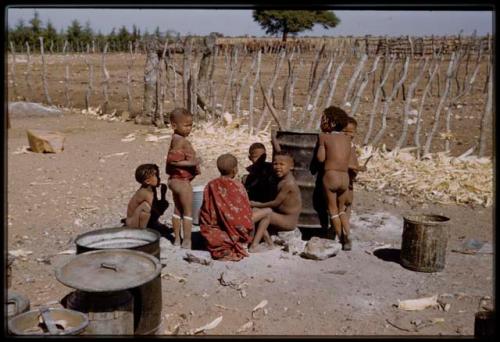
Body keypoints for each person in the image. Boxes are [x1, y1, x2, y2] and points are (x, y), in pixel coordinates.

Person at [199, 154, 254, 261]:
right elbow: (245, 211)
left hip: (214, 232)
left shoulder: (211, 185)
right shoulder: (237, 186)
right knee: (254, 217)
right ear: (235, 170)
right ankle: (249, 243)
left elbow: (206, 210)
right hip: (236, 229)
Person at [250, 151, 302, 252]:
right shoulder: (283, 178)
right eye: (275, 164)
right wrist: (274, 139)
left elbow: (275, 203)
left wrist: (257, 204)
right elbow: (282, 155)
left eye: (282, 164)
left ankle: (254, 245)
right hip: (282, 216)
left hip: (289, 221)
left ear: (291, 166)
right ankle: (268, 242)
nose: (278, 167)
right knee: (257, 210)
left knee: (265, 212)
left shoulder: (288, 183)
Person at [316, 106, 353, 251]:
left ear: (331, 123)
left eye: (323, 119)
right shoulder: (347, 139)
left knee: (332, 210)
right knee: (341, 209)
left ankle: (341, 239)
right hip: (345, 177)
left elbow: (321, 158)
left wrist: (321, 144)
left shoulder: (324, 137)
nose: (321, 122)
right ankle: (348, 234)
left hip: (331, 175)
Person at [165, 108, 201, 249]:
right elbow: (173, 161)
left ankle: (176, 240)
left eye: (191, 125)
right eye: (186, 125)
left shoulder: (176, 138)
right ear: (174, 126)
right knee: (187, 211)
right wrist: (193, 162)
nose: (189, 128)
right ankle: (187, 241)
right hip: (181, 181)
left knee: (177, 210)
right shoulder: (180, 141)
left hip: (174, 180)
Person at [125, 164, 168, 229]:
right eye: (156, 176)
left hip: (136, 218)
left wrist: (163, 194)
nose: (159, 178)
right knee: (146, 207)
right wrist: (162, 197)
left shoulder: (151, 189)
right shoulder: (145, 193)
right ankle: (143, 231)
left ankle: (152, 224)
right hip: (132, 223)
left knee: (163, 203)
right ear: (147, 181)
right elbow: (157, 210)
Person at [343, 116, 367, 230]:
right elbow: (338, 163)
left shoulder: (351, 145)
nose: (348, 134)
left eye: (350, 132)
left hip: (350, 180)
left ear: (355, 132)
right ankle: (337, 229)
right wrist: (355, 167)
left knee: (348, 202)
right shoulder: (339, 146)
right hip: (342, 178)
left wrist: (357, 168)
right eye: (344, 131)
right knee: (340, 204)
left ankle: (345, 226)